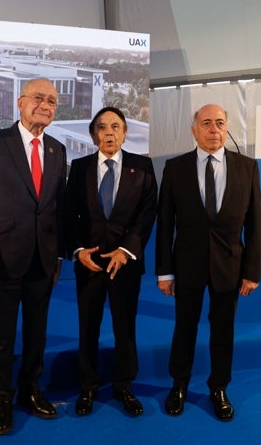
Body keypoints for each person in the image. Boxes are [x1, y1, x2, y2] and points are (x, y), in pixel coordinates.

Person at [0, 78, 67, 435]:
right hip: (0, 262)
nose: (46, 105)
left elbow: (55, 209)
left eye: (52, 101)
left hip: (43, 261)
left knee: (37, 334)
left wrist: (58, 257)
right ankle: (3, 399)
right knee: (0, 337)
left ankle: (31, 391)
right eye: (38, 98)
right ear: (21, 103)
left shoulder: (57, 149)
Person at [155, 103, 261, 422]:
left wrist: (252, 272)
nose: (213, 129)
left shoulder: (246, 167)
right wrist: (164, 272)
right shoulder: (175, 169)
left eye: (219, 123)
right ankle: (179, 385)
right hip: (186, 265)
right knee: (184, 329)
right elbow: (165, 225)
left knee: (223, 331)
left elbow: (255, 226)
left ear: (227, 127)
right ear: (194, 130)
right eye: (206, 123)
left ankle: (219, 388)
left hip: (229, 267)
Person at [66, 107, 157, 416]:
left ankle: (124, 386)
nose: (109, 132)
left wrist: (126, 250)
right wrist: (79, 250)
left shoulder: (142, 167)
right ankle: (88, 387)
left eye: (115, 127)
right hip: (89, 263)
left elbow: (147, 214)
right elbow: (69, 214)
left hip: (125, 264)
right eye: (102, 127)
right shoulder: (78, 168)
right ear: (94, 134)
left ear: (124, 133)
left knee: (124, 326)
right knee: (88, 326)